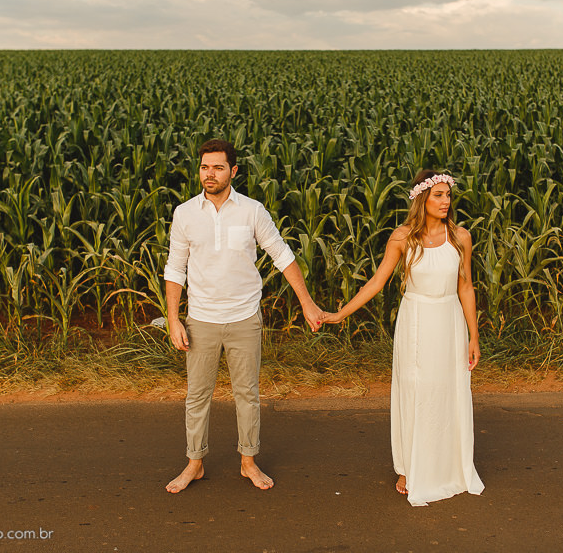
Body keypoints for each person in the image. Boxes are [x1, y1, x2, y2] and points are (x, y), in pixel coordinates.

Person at [163, 138, 323, 493]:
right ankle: (194, 463)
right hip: (201, 319)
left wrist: (307, 303)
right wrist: (174, 319)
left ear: (233, 171)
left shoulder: (252, 211)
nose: (210, 174)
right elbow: (175, 268)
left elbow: (281, 255)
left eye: (218, 168)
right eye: (205, 167)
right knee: (197, 395)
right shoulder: (185, 213)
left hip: (244, 318)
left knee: (247, 394)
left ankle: (248, 461)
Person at [322, 169, 485, 506]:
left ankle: (448, 467)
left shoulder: (461, 237)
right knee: (414, 390)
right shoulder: (402, 237)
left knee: (448, 390)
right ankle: (408, 467)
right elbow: (376, 282)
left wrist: (474, 336)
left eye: (448, 195)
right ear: (422, 199)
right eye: (438, 195)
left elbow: (466, 286)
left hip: (450, 320)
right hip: (416, 322)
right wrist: (340, 314)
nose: (445, 201)